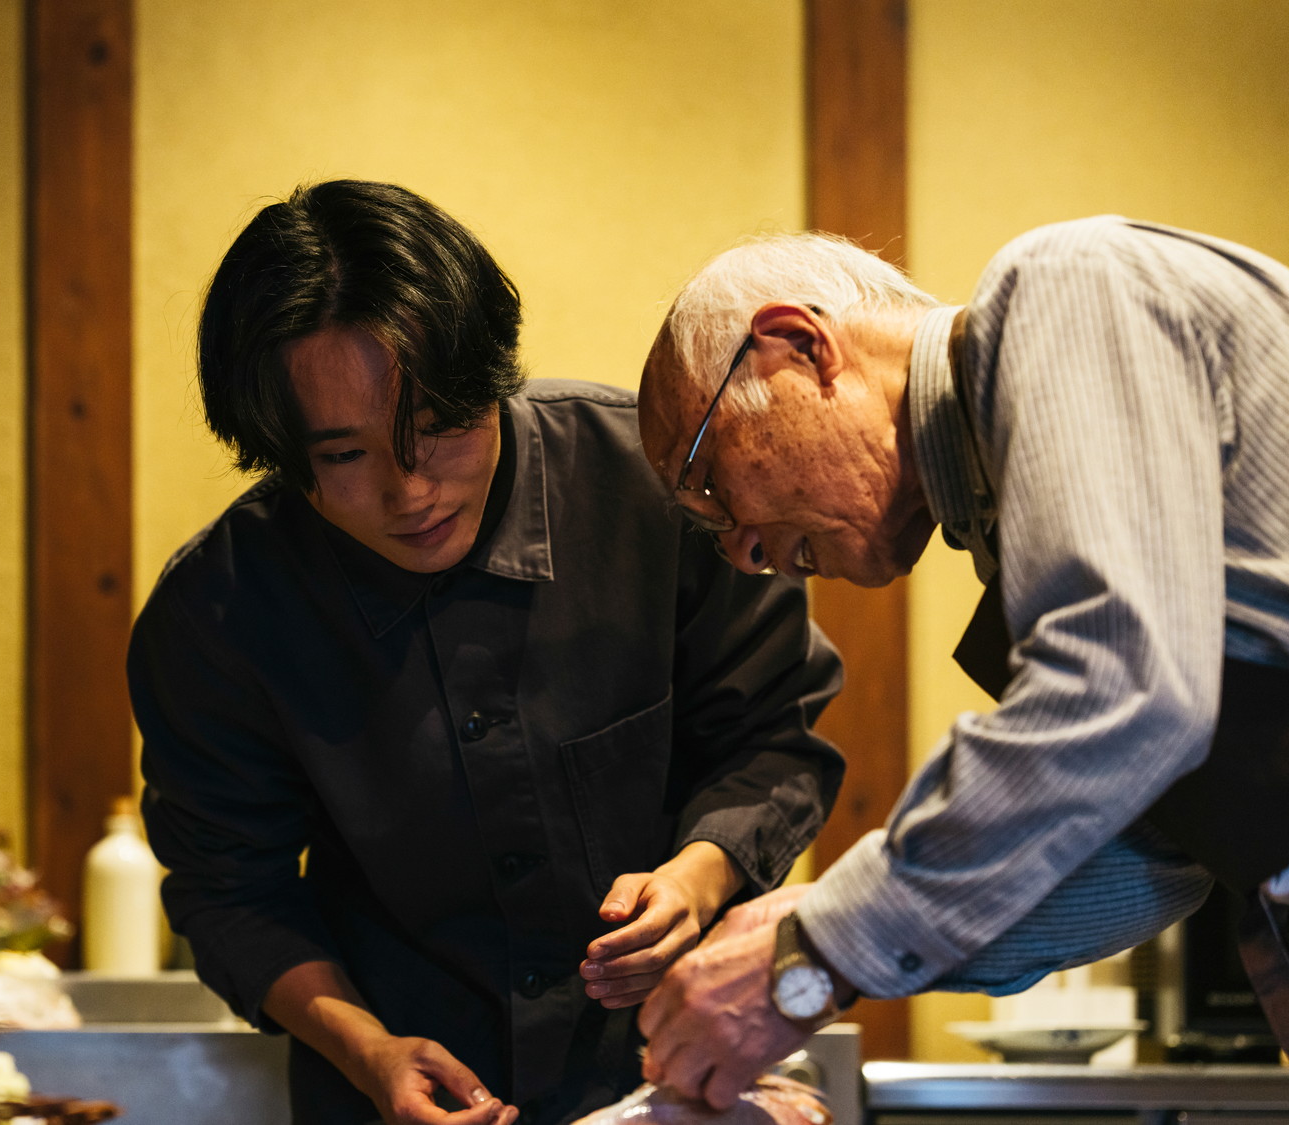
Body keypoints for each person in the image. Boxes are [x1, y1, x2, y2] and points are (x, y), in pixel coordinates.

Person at [130, 180, 845, 1125]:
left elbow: (775, 733)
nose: (409, 490)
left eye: (437, 429)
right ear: (274, 447)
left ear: (491, 379)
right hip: (392, 1094)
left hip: (669, 1076)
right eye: (345, 457)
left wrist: (699, 872)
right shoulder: (221, 610)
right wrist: (366, 1048)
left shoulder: (656, 489)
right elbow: (231, 887)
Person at [631, 218, 1289, 1106]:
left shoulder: (1067, 283)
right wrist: (813, 947)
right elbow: (1150, 861)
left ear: (798, 347)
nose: (744, 554)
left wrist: (825, 943)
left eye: (711, 486)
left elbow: (1123, 685)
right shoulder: (1003, 530)